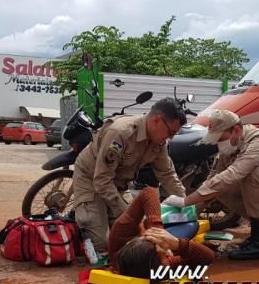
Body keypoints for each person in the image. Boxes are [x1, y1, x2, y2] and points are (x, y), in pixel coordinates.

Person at [163, 110, 259, 260]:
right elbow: (213, 181)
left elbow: (235, 174)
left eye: (221, 139)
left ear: (237, 130)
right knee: (220, 188)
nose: (218, 144)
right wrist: (184, 216)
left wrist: (186, 201)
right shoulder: (231, 147)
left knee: (252, 174)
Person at [72, 98, 187, 253]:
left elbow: (166, 173)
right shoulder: (121, 133)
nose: (171, 137)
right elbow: (101, 180)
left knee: (134, 239)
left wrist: (185, 203)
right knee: (103, 244)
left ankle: (96, 216)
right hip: (91, 178)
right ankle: (82, 216)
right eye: (171, 132)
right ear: (157, 121)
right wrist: (127, 214)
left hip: (119, 183)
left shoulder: (159, 142)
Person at [108, 187, 214, 279]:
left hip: (154, 224)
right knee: (193, 225)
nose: (168, 254)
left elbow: (148, 193)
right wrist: (177, 244)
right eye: (165, 256)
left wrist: (157, 229)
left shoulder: (121, 234)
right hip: (169, 237)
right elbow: (208, 257)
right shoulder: (162, 266)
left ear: (128, 243)